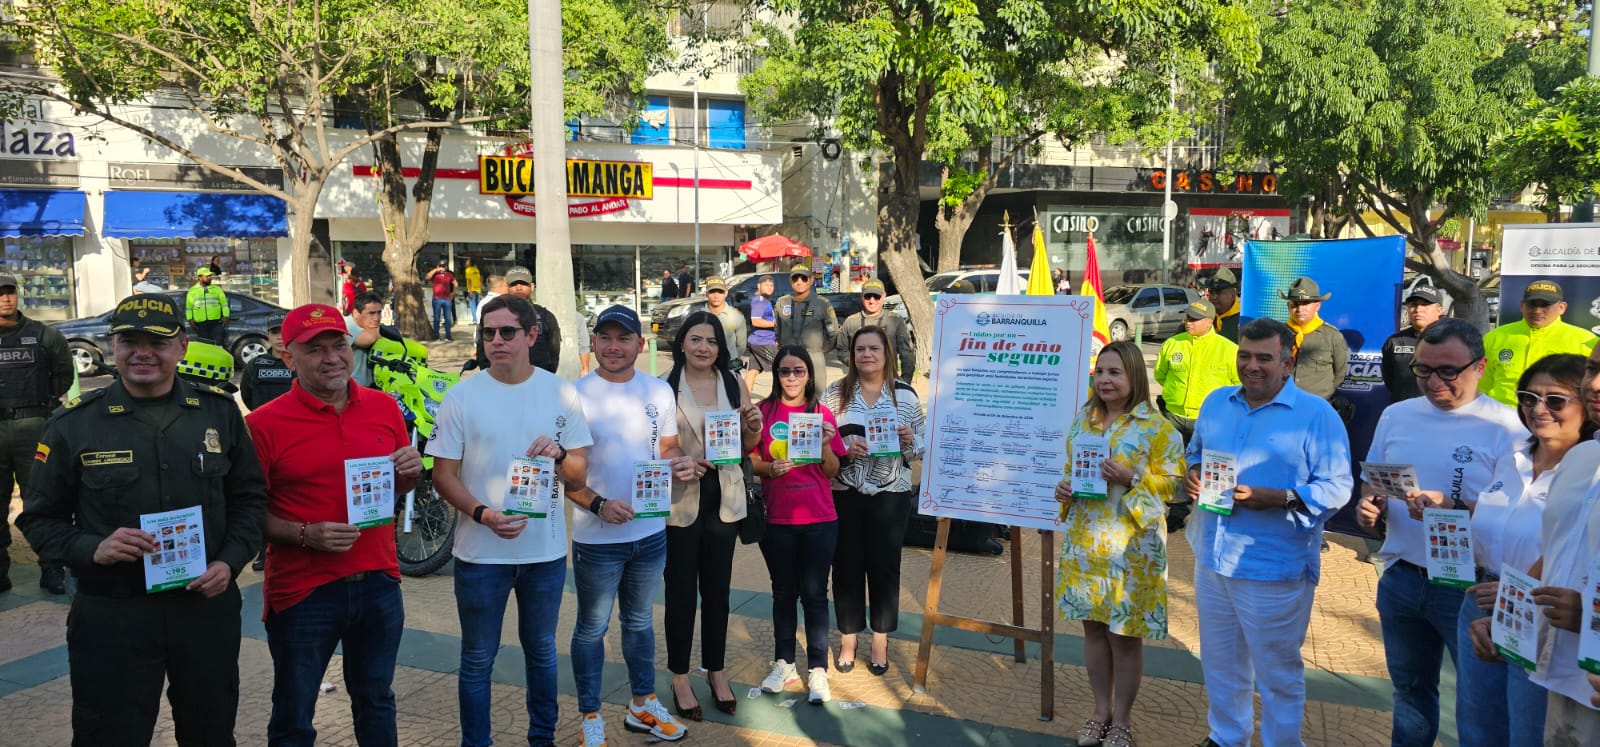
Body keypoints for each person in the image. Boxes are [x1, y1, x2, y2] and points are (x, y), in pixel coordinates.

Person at [17, 292, 268, 745]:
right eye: (130, 341)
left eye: (158, 341)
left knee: (211, 732)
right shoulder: (73, 424)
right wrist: (93, 548)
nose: (143, 352)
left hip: (204, 608)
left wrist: (229, 563)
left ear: (182, 347)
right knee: (110, 735)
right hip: (114, 612)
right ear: (113, 347)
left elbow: (250, 499)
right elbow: (38, 520)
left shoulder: (218, 412)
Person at [244, 303, 424, 746]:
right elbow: (245, 516)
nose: (332, 358)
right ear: (289, 358)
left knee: (376, 700)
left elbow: (389, 493)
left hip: (379, 583)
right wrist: (305, 534)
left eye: (338, 345)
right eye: (315, 349)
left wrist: (408, 476)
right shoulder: (263, 425)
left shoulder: (384, 408)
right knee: (294, 711)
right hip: (304, 591)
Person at [427, 294, 595, 747]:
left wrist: (561, 454)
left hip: (544, 553)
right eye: (488, 333)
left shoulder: (560, 391)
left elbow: (579, 472)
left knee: (541, 653)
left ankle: (542, 739)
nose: (496, 341)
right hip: (480, 555)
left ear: (531, 335)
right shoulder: (461, 395)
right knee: (478, 659)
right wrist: (482, 514)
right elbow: (443, 474)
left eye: (507, 332)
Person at [1354, 318, 1527, 747]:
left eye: (1447, 371)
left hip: (1472, 589)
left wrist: (1455, 508)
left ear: (1480, 366)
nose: (1433, 382)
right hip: (1401, 578)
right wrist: (1370, 508)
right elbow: (1376, 481)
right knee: (1410, 691)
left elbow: (1518, 519)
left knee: (1479, 705)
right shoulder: (1396, 415)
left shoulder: (1509, 428)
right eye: (1423, 370)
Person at [1185, 318, 1353, 747]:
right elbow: (1197, 452)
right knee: (1221, 664)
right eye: (1245, 355)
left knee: (1277, 672)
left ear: (1288, 361)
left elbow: (1338, 488)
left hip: (1273, 568)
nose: (1252, 366)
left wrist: (1279, 498)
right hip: (1212, 557)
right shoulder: (1216, 402)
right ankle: (1226, 737)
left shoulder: (1317, 415)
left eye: (1264, 357)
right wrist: (1193, 474)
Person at [1454, 354, 1591, 747]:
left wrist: (1520, 593)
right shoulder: (1512, 457)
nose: (1538, 409)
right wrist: (1448, 506)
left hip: (1542, 615)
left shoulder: (1589, 474)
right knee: (1477, 729)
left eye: (1556, 400)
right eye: (1529, 398)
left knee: (1527, 734)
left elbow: (1570, 545)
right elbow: (1503, 520)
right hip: (1479, 604)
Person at [1053, 340, 1184, 747]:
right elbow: (1072, 468)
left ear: (1134, 377)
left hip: (1132, 547)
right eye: (1100, 371)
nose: (1105, 379)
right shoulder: (1083, 419)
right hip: (1086, 540)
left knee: (1124, 635)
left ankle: (1122, 721)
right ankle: (1099, 712)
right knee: (1093, 630)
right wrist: (1065, 488)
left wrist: (1132, 479)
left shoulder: (1157, 427)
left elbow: (1177, 487)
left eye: (1115, 372)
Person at [570, 305, 689, 746]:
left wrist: (681, 465)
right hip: (597, 539)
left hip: (650, 534)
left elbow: (668, 447)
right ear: (595, 343)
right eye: (606, 337)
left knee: (639, 622)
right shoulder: (575, 394)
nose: (614, 346)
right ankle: (590, 715)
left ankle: (642, 705)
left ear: (641, 344)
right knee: (591, 629)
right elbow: (564, 473)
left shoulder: (658, 390)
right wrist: (597, 505)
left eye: (624, 338)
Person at [661, 311, 763, 720]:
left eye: (712, 341)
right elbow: (658, 446)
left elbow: (747, 445)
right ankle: (680, 676)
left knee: (718, 592)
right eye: (696, 339)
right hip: (681, 498)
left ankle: (716, 671)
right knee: (680, 592)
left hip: (724, 496)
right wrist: (680, 460)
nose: (704, 347)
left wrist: (753, 424)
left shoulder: (733, 383)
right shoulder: (665, 387)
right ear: (682, 342)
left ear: (722, 347)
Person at [824, 327, 925, 678]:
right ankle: (848, 638)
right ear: (851, 355)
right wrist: (842, 449)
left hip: (890, 494)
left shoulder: (905, 395)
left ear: (887, 354)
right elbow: (821, 441)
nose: (867, 355)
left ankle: (880, 639)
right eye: (860, 349)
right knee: (846, 566)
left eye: (874, 348)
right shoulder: (835, 393)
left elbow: (922, 448)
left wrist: (912, 438)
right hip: (844, 492)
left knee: (884, 567)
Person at [750, 345, 847, 705]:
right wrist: (768, 469)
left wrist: (824, 447)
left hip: (820, 519)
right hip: (777, 519)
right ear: (775, 375)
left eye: (799, 371)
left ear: (809, 375)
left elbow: (833, 471)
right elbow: (750, 462)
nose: (792, 378)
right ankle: (785, 662)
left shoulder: (821, 414)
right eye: (785, 371)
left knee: (815, 595)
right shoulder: (762, 412)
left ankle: (818, 669)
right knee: (782, 593)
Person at [0, 272, 73, 594]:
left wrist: (41, 407)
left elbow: (63, 375)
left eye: (9, 292)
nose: (5, 298)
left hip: (34, 428)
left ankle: (52, 567)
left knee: (43, 501)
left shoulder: (44, 335)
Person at [1479, 280, 1598, 406]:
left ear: (1562, 308)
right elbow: (1481, 386)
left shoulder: (1584, 341)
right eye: (1532, 304)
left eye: (1545, 305)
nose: (1537, 311)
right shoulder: (1495, 337)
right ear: (1521, 306)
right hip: (1501, 420)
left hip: (1557, 420)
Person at [1154, 298, 1239, 443]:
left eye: (1195, 319)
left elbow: (1238, 385)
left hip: (1210, 420)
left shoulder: (1229, 349)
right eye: (1188, 317)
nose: (1188, 322)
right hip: (1173, 417)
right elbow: (1160, 375)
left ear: (1209, 322)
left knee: (1201, 463)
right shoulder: (1172, 343)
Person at [474, 266, 562, 374]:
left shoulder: (546, 316)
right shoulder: (493, 314)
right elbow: (482, 352)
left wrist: (542, 379)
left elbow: (554, 353)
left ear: (532, 286)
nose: (519, 287)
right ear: (506, 287)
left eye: (524, 284)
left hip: (538, 382)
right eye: (514, 284)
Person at [1279, 276, 1349, 404]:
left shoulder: (1332, 336)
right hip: (1282, 403)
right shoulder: (1277, 334)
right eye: (1295, 305)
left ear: (1317, 306)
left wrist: (1322, 394)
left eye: (1305, 304)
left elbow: (1339, 373)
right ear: (1288, 306)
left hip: (1317, 406)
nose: (1300, 309)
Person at [837, 278, 916, 380]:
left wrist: (905, 381)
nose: (872, 300)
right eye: (868, 296)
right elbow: (842, 350)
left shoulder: (895, 320)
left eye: (876, 296)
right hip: (859, 381)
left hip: (888, 381)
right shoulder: (851, 321)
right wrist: (854, 363)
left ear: (884, 297)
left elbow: (907, 354)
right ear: (862, 297)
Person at [775, 264, 839, 388]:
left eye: (803, 278)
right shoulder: (782, 302)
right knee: (788, 396)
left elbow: (833, 333)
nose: (799, 282)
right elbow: (777, 329)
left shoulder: (822, 304)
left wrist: (820, 350)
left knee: (816, 394)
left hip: (813, 356)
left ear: (811, 280)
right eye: (795, 279)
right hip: (788, 357)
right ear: (790, 281)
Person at [1381, 285, 1445, 402]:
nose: (1418, 309)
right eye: (1414, 305)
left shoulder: (1452, 342)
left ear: (1439, 310)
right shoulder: (1394, 342)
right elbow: (1390, 381)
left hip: (1439, 414)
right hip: (1403, 413)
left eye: (1425, 304)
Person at [242, 314, 295, 411]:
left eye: (284, 331)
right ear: (268, 336)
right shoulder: (254, 365)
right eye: (275, 332)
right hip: (263, 423)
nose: (279, 337)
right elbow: (247, 397)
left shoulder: (302, 364)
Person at [702, 276, 748, 370]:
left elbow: (741, 346)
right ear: (706, 294)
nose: (716, 296)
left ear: (726, 293)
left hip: (729, 368)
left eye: (720, 292)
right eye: (712, 292)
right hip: (704, 368)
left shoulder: (736, 316)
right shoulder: (698, 316)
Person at [745, 275, 779, 390]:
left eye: (771, 285)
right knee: (780, 368)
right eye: (766, 285)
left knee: (753, 371)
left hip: (757, 340)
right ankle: (778, 399)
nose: (769, 288)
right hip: (764, 342)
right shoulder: (760, 301)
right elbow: (756, 321)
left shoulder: (763, 300)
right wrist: (776, 324)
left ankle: (743, 401)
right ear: (758, 286)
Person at [346, 291, 383, 388]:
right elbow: (368, 339)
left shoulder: (370, 328)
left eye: (379, 312)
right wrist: (387, 331)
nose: (377, 318)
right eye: (371, 313)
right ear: (356, 313)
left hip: (369, 387)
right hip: (351, 389)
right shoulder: (347, 324)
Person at [184, 266, 229, 344]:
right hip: (200, 324)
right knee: (205, 346)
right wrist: (190, 319)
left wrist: (226, 316)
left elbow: (224, 304)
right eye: (207, 276)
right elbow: (189, 308)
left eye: (210, 276)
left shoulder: (217, 289)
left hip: (216, 323)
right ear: (200, 277)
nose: (210, 277)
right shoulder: (192, 291)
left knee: (218, 345)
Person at [424, 259, 457, 342]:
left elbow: (455, 284)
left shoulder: (449, 275)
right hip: (437, 299)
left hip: (446, 299)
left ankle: (448, 335)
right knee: (436, 318)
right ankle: (436, 334)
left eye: (444, 266)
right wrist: (436, 270)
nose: (443, 268)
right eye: (441, 266)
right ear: (438, 266)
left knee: (448, 318)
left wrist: (453, 293)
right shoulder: (435, 275)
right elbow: (427, 277)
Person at [1208, 268, 1240, 342]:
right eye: (1211, 292)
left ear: (1233, 294)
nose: (1213, 297)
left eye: (1219, 293)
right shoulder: (1201, 316)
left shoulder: (1244, 320)